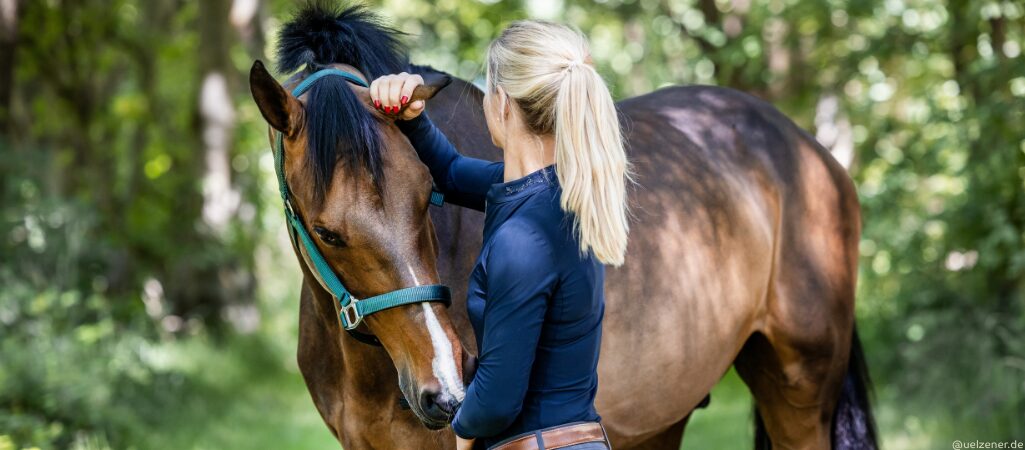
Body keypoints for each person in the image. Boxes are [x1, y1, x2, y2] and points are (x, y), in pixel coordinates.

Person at [370, 20, 629, 450]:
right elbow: (451, 173)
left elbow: (497, 401)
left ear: (503, 103)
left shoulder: (523, 240)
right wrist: (412, 119)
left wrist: (462, 428)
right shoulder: (558, 195)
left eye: (488, 90)